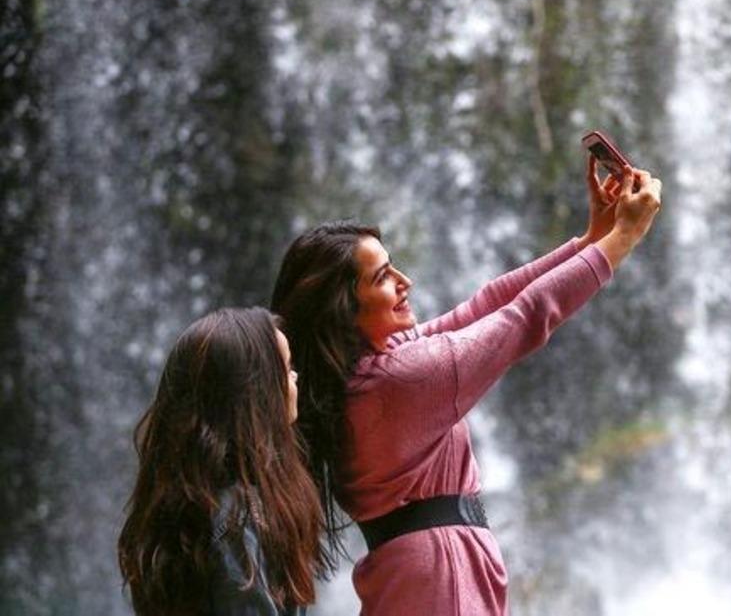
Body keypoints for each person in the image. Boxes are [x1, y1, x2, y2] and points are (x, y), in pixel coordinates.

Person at [270, 156, 662, 615]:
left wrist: (593, 239)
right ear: (344, 309)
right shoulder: (401, 379)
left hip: (419, 571)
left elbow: (487, 305)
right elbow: (523, 316)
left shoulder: (357, 376)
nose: (404, 282)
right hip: (441, 576)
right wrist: (623, 238)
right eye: (382, 278)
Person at [118, 307, 325, 616]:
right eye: (286, 368)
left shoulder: (190, 507)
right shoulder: (238, 521)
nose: (295, 377)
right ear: (256, 394)